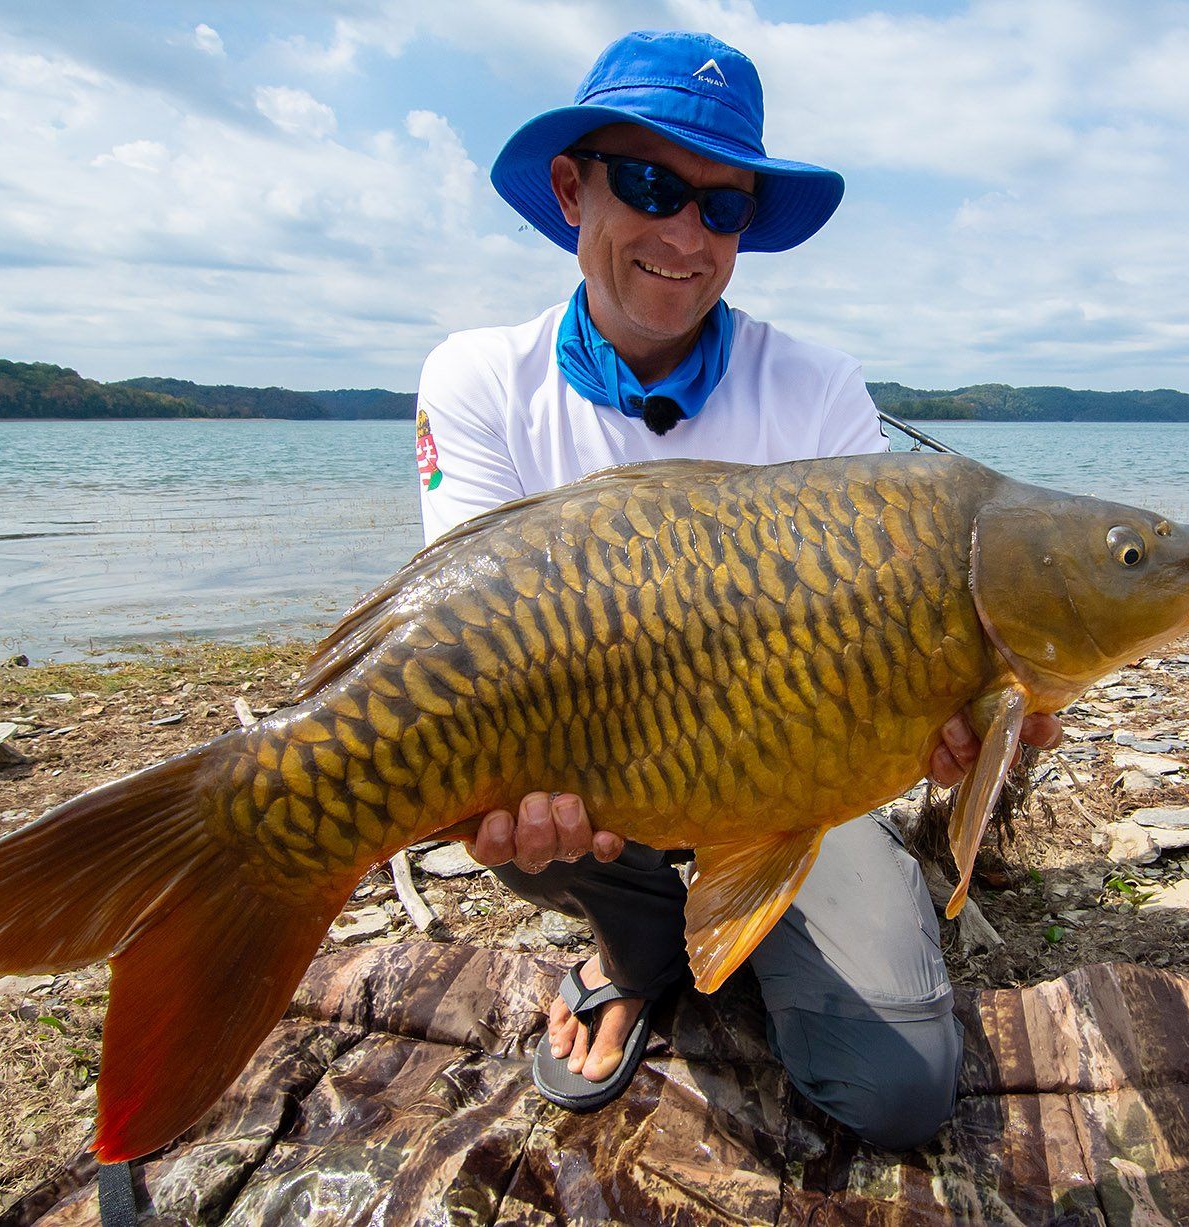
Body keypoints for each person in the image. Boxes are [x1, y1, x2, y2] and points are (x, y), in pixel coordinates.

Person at [414, 29, 1057, 1150]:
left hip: (792, 780)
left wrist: (959, 726)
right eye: (653, 185)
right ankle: (633, 956)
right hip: (587, 783)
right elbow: (464, 657)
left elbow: (909, 641)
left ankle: (739, 929)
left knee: (900, 1091)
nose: (684, 235)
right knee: (488, 783)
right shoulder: (478, 378)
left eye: (723, 207)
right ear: (572, 189)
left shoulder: (815, 388)